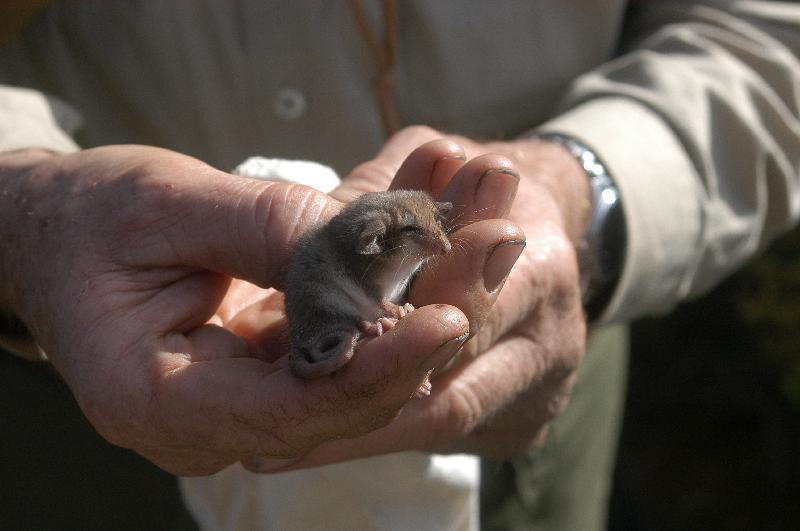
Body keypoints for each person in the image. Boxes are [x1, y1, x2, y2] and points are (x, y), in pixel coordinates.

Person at [1, 2, 798, 530]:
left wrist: (590, 185)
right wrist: (18, 208)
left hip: (533, 355)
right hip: (67, 387)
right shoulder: (362, 250)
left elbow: (770, 34)